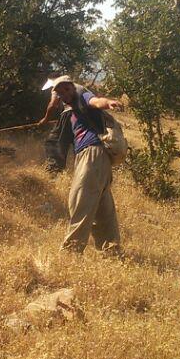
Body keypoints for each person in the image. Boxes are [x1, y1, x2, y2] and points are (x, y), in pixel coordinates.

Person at [37, 75, 124, 253]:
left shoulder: (82, 95)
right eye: (60, 92)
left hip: (93, 152)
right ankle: (111, 249)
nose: (65, 94)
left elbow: (96, 101)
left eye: (67, 89)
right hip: (95, 156)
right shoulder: (71, 107)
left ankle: (71, 251)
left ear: (72, 87)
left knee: (80, 198)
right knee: (102, 205)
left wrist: (109, 103)